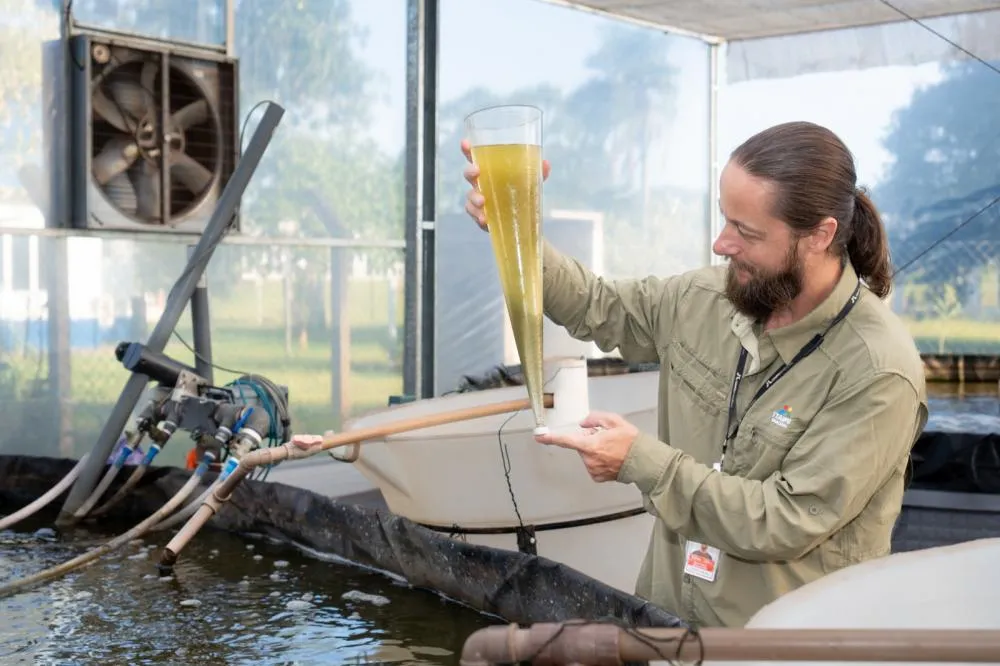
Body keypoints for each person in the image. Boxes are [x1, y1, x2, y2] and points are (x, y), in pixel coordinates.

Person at [459, 120, 928, 628]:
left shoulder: (878, 371)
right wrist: (517, 232)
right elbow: (594, 306)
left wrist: (641, 460)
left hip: (784, 647)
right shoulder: (703, 299)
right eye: (726, 219)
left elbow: (784, 520)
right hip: (666, 628)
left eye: (746, 232)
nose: (721, 244)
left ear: (820, 235)